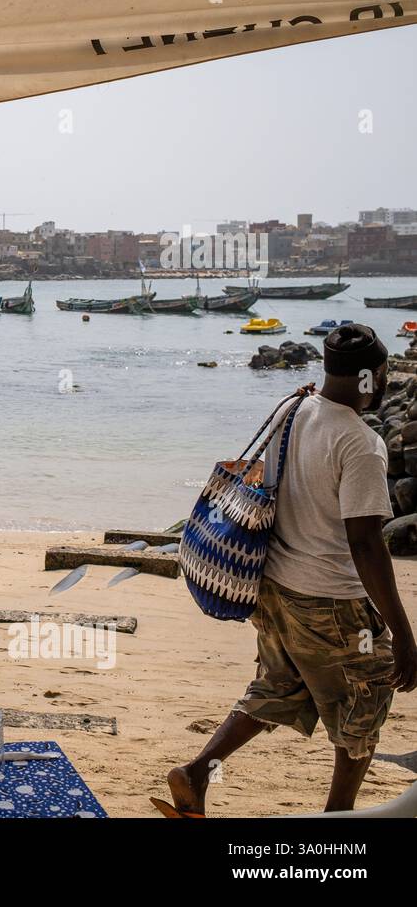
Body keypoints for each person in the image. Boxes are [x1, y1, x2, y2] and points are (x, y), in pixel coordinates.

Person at [160, 324, 417, 816]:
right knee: (362, 705)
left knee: (280, 686)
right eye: (381, 375)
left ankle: (197, 773)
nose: (384, 384)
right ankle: (337, 815)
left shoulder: (292, 407)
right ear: (368, 377)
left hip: (272, 586)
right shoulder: (360, 443)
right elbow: (365, 543)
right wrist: (403, 635)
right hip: (330, 602)